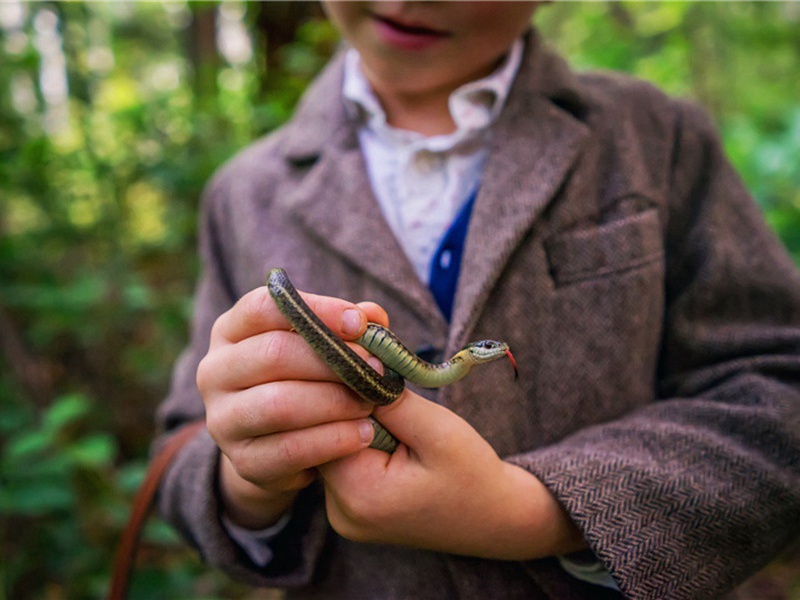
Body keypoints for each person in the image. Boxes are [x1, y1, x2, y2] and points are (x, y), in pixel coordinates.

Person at [155, 2, 800, 599]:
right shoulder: (241, 194)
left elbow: (781, 391)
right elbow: (180, 446)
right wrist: (247, 478)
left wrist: (535, 511)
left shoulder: (657, 137)